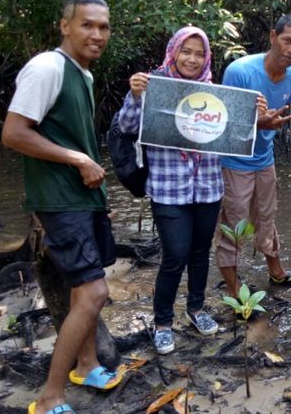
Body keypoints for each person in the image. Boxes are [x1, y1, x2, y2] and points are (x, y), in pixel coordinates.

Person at [3, 0, 123, 414]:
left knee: (81, 289)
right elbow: (14, 133)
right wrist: (77, 158)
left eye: (103, 26)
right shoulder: (47, 66)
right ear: (65, 26)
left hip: (82, 198)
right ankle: (50, 396)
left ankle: (87, 365)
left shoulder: (83, 76)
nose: (96, 34)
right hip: (60, 200)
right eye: (87, 24)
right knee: (94, 293)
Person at [117, 26, 226, 355]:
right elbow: (125, 127)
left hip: (208, 186)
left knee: (199, 253)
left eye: (199, 53)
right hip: (168, 188)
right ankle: (162, 322)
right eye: (186, 51)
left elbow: (232, 135)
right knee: (175, 256)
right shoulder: (151, 86)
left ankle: (196, 309)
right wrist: (136, 97)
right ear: (173, 51)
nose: (192, 59)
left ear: (206, 57)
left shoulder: (217, 93)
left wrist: (253, 115)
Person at [215, 14, 291, 296]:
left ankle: (277, 272)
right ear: (273, 37)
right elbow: (223, 125)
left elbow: (280, 113)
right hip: (234, 161)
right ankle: (235, 291)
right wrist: (257, 122)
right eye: (286, 41)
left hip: (264, 158)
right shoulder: (239, 71)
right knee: (234, 224)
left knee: (267, 217)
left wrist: (266, 124)